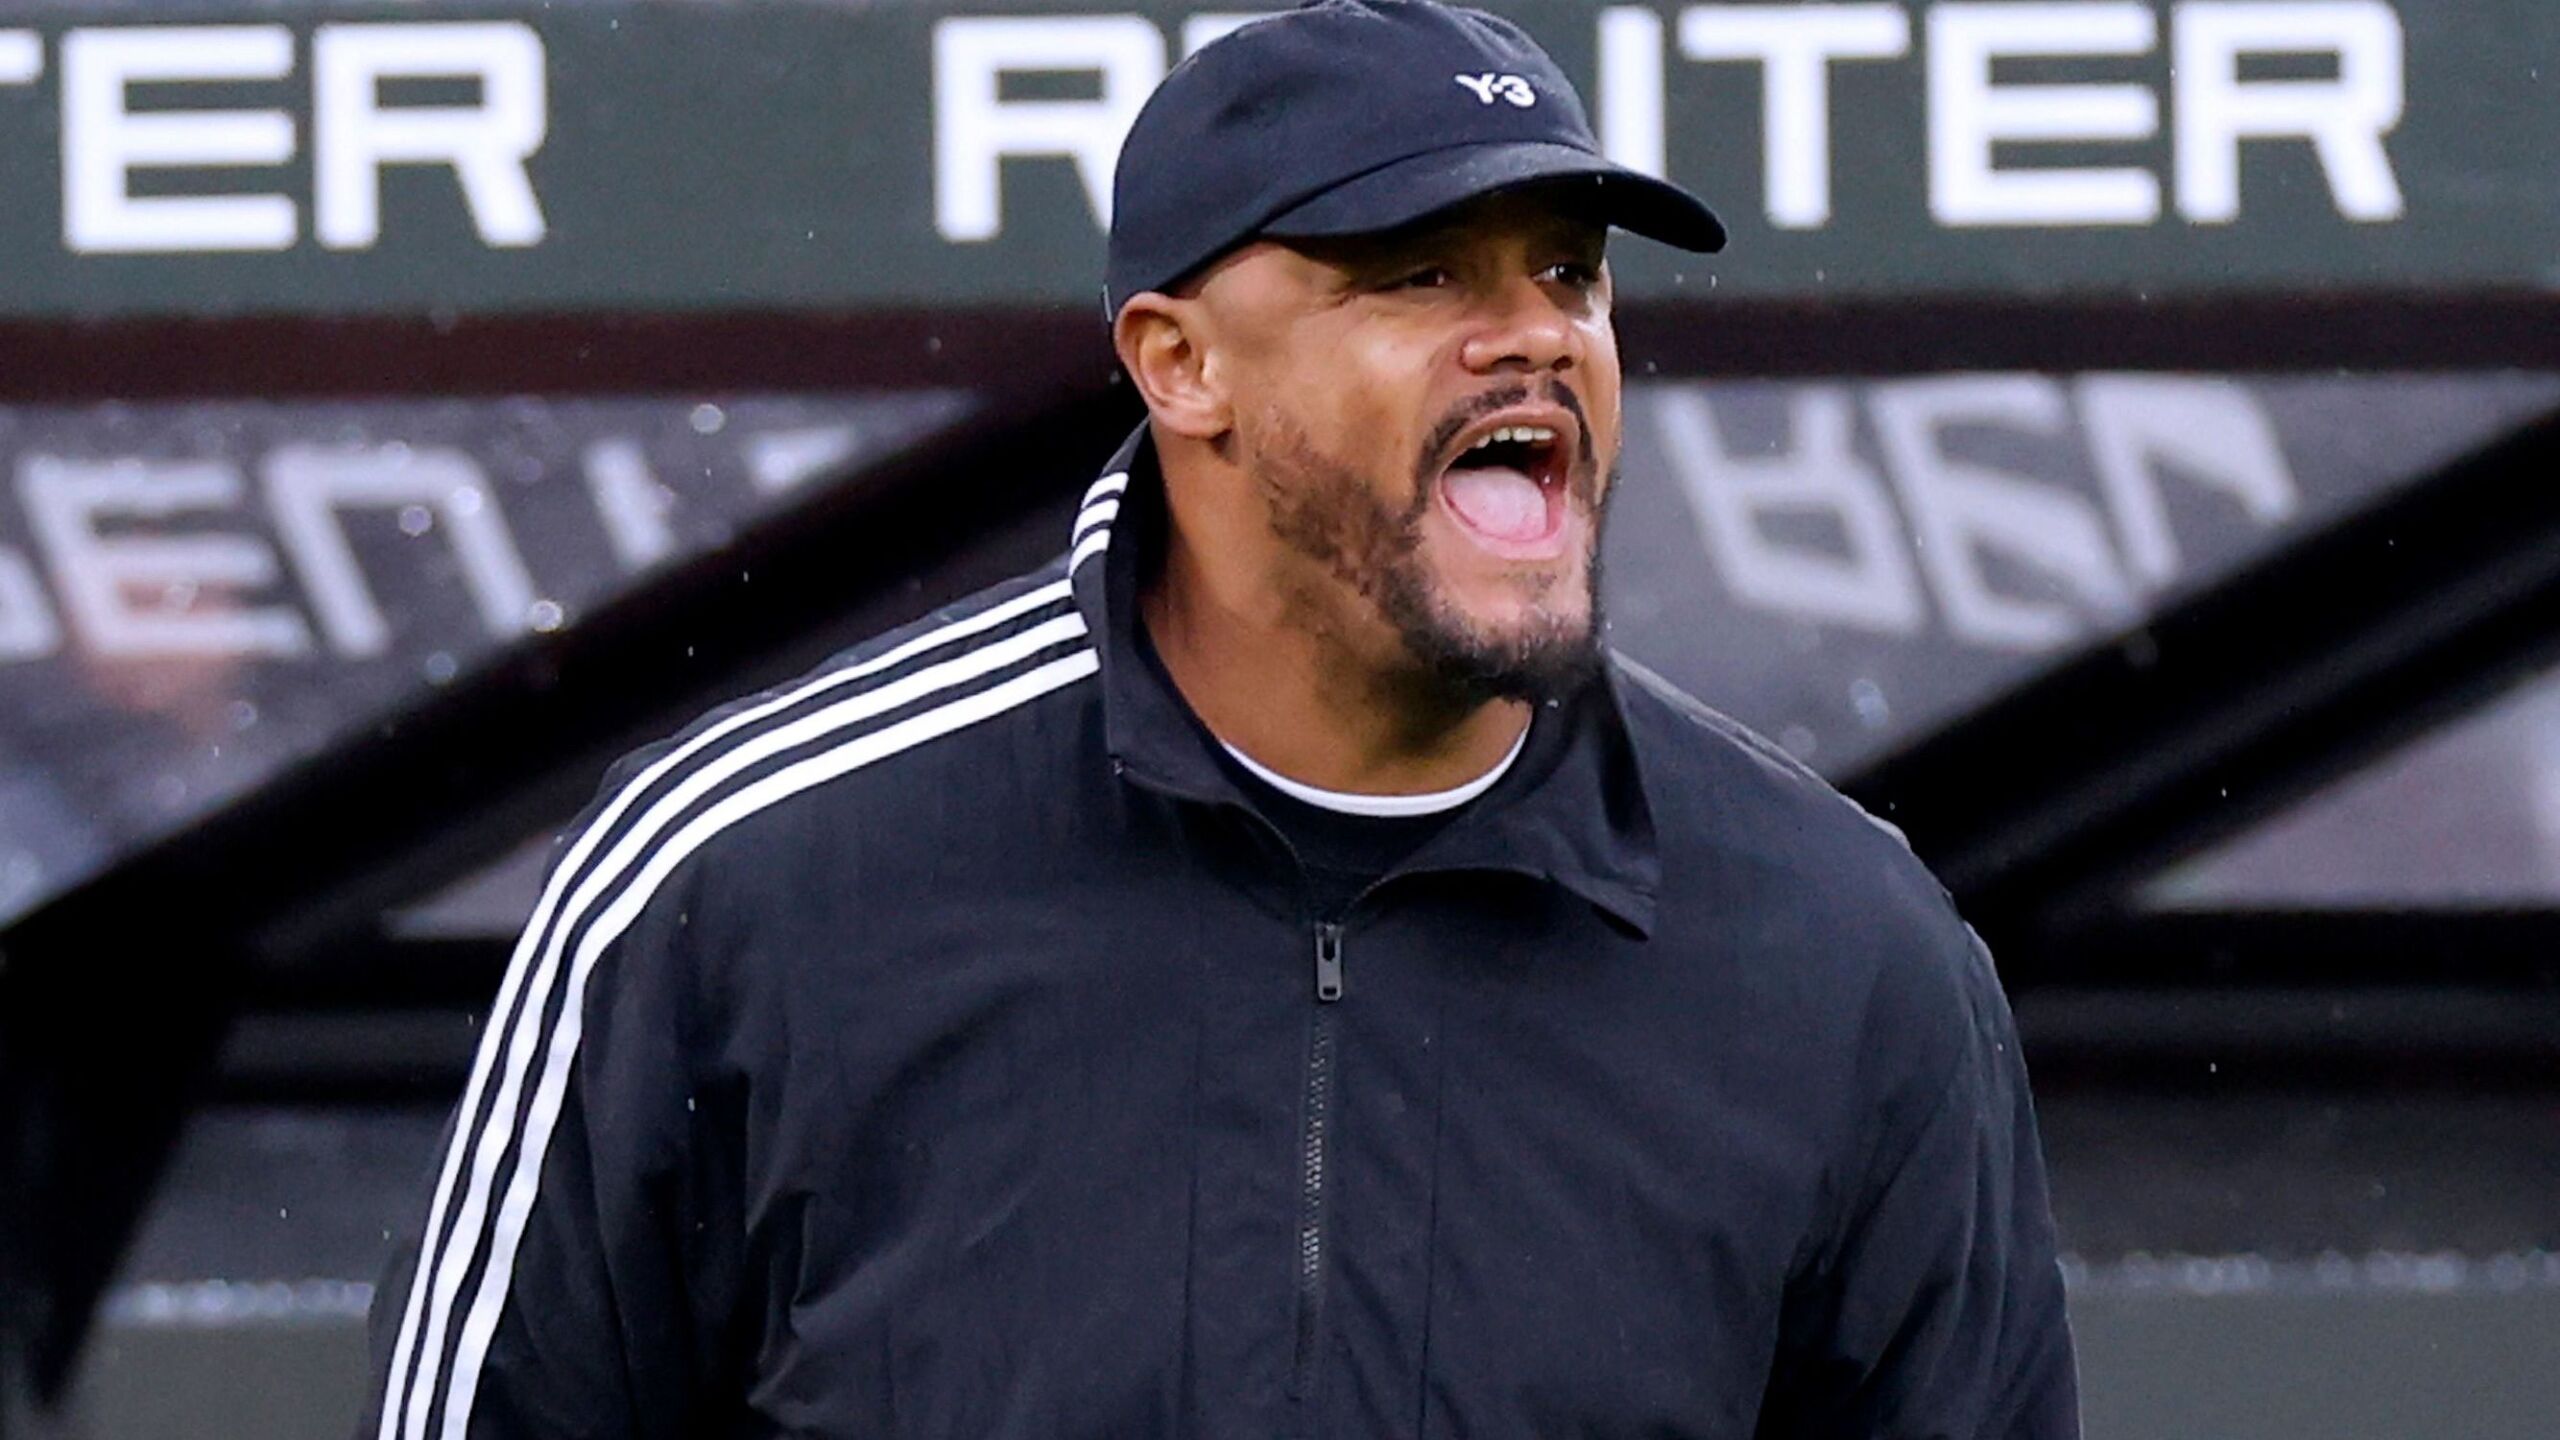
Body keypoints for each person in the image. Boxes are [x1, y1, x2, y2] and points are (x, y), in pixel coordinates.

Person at [359, 1, 2080, 1435]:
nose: (1532, 338)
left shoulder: (1846, 951)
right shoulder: (738, 883)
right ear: (1180, 363)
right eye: (1420, 276)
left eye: (1568, 273)